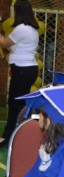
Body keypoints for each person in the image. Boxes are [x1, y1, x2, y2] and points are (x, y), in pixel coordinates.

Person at [0, 0, 39, 148]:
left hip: (23, 69)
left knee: (15, 104)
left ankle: (8, 136)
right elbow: (15, 48)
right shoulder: (32, 29)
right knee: (20, 103)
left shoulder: (21, 28)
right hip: (26, 69)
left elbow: (4, 44)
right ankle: (19, 134)